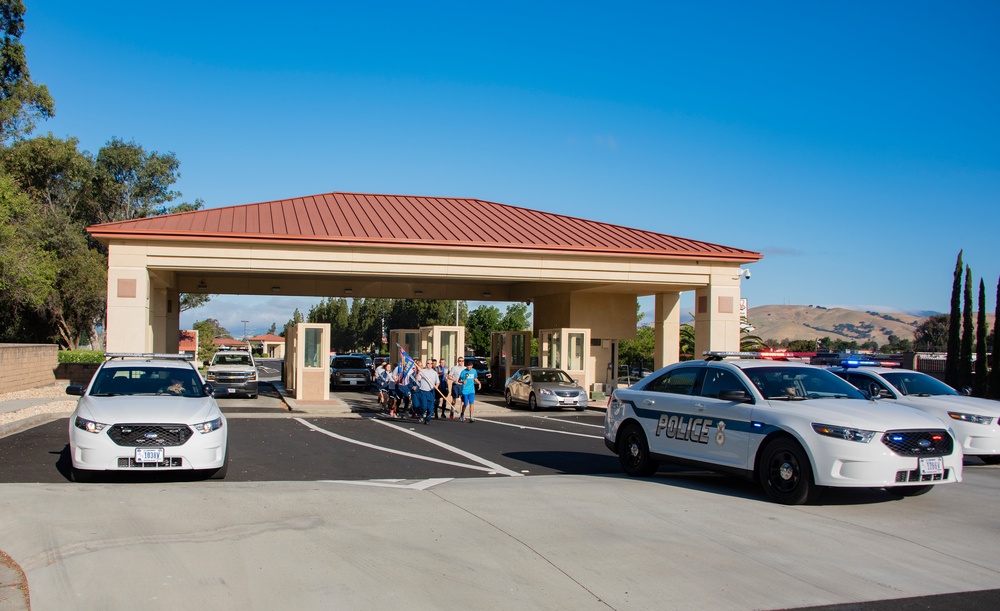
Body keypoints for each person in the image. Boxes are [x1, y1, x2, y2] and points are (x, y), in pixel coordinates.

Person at [411, 359, 439, 424]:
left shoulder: (434, 373)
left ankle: (427, 419)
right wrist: (419, 372)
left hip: (431, 392)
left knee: (430, 408)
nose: (429, 365)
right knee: (424, 406)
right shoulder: (423, 371)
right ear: (426, 364)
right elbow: (417, 379)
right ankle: (420, 415)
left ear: (432, 364)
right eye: (428, 363)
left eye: (430, 363)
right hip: (423, 391)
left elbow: (437, 382)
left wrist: (436, 386)